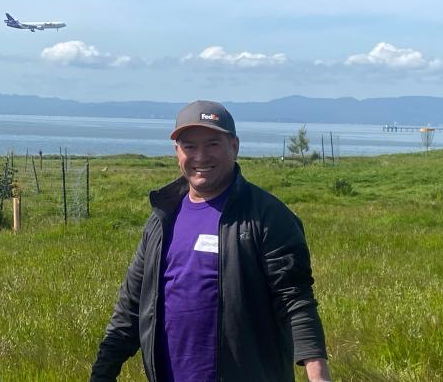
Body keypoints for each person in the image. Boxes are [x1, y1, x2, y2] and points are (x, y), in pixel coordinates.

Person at [90, 100, 331, 382]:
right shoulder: (162, 219)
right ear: (177, 152)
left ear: (234, 146)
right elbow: (130, 308)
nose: (201, 156)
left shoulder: (267, 217)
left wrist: (319, 376)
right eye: (189, 146)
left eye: (213, 144)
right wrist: (102, 374)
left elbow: (295, 302)